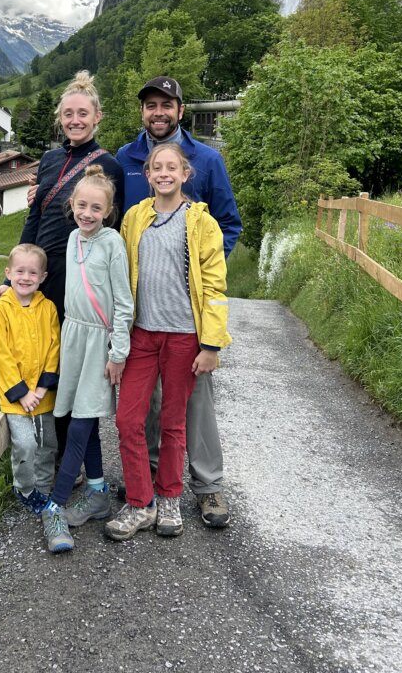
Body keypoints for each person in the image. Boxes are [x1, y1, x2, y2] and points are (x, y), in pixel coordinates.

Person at [115, 76, 242, 528]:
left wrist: (198, 273)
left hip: (188, 318)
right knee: (142, 407)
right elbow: (107, 220)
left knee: (193, 402)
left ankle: (207, 486)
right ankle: (148, 483)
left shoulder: (206, 159)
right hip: (144, 319)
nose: (158, 112)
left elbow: (228, 223)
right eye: (151, 105)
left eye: (166, 104)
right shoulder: (124, 159)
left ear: (181, 110)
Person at [0, 70, 124, 459]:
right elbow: (33, 221)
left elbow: (109, 235)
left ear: (97, 116)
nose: (75, 120)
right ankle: (43, 452)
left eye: (83, 113)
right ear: (60, 118)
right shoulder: (49, 161)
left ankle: (76, 458)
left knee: (75, 373)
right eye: (68, 114)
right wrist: (17, 277)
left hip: (80, 287)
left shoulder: (109, 167)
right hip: (44, 281)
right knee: (40, 362)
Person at [40, 166, 134, 553]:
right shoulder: (73, 239)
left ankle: (55, 505)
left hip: (100, 343)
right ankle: (96, 492)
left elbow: (124, 303)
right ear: (72, 206)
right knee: (84, 419)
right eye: (82, 205)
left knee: (80, 425)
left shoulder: (112, 243)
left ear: (109, 211)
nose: (88, 213)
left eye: (97, 207)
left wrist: (119, 353)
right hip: (74, 338)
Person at [0, 244, 60, 514]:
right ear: (8, 273)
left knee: (47, 443)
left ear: (42, 277)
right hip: (16, 398)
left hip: (43, 395)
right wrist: (21, 393)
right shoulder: (1, 310)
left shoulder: (48, 308)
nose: (26, 277)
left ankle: (43, 490)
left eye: (33, 272)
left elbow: (54, 347)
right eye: (20, 271)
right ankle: (25, 489)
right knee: (26, 444)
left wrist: (42, 388)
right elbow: (2, 355)